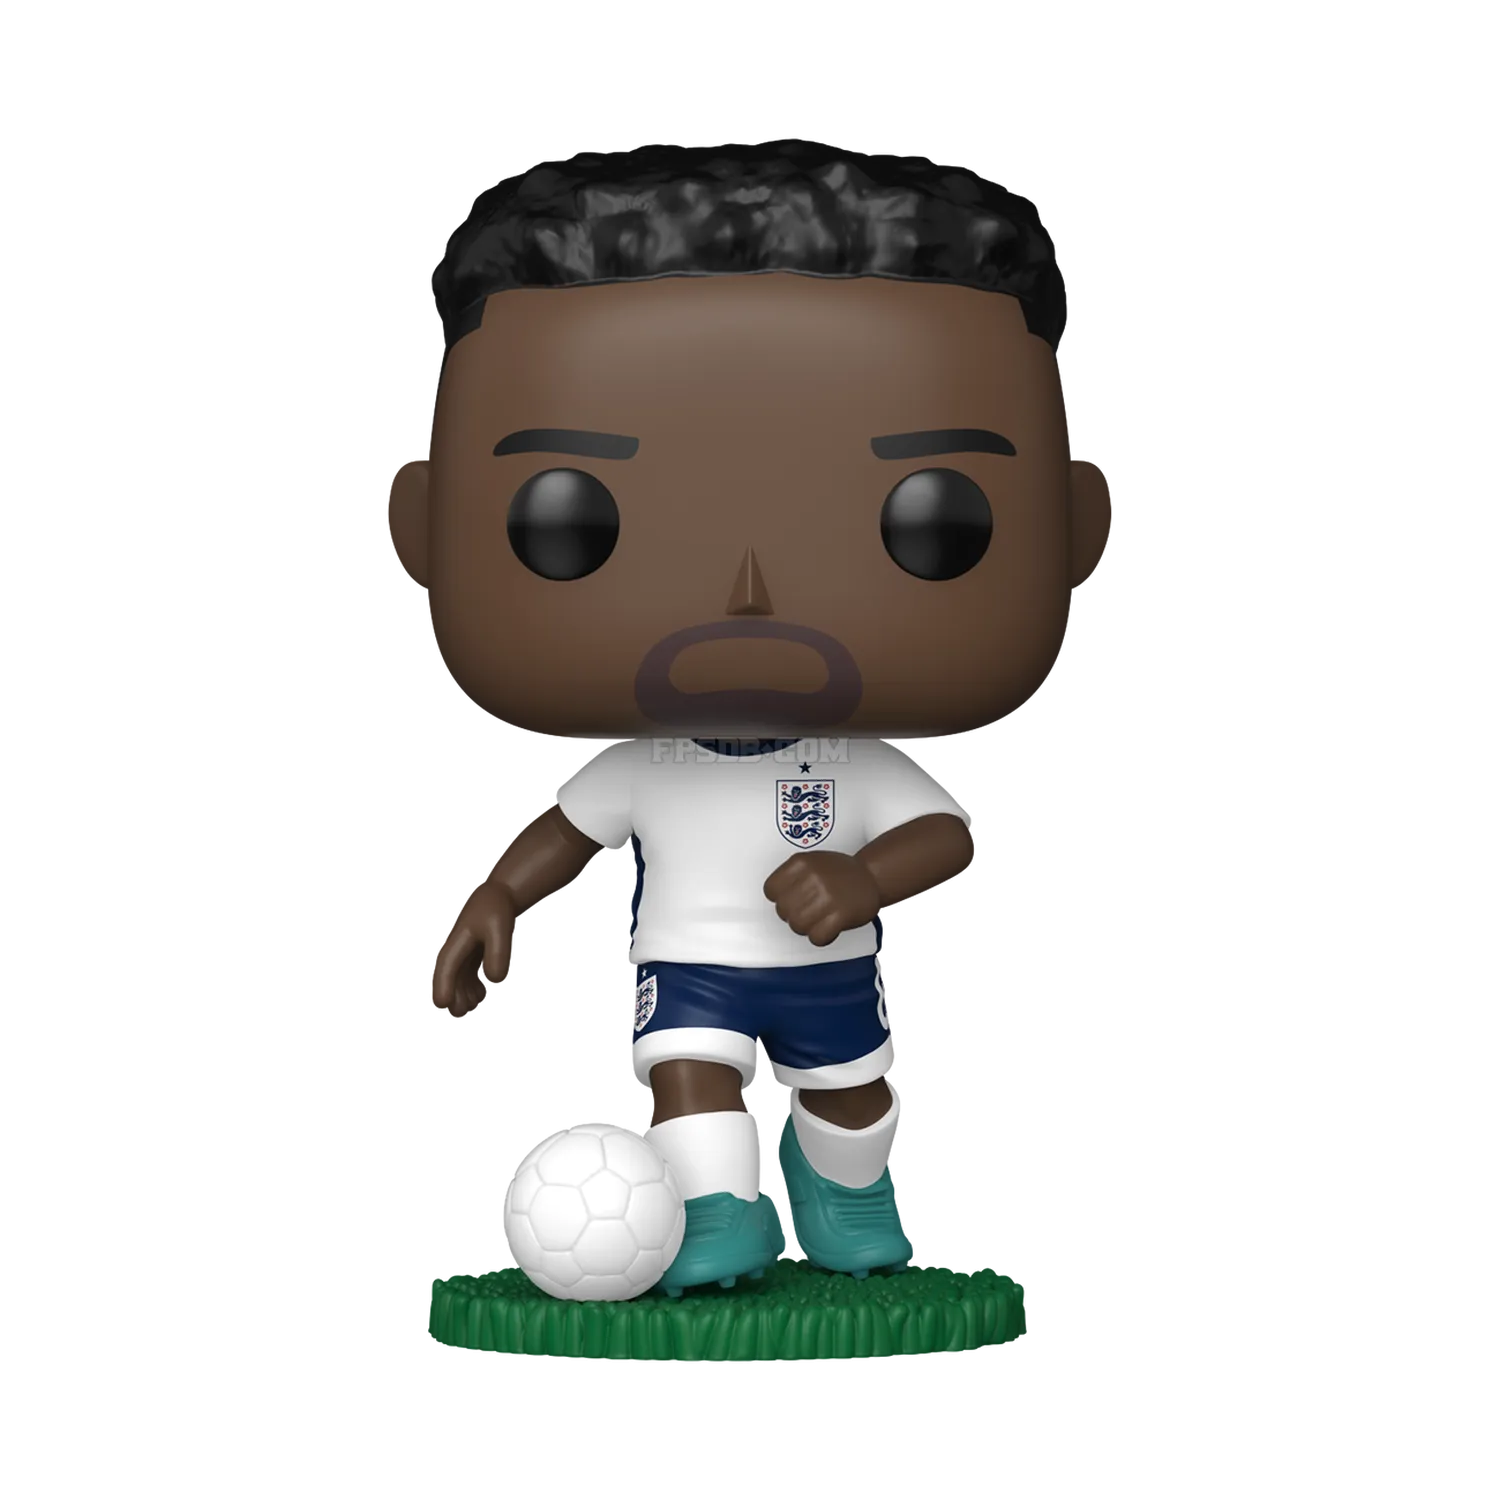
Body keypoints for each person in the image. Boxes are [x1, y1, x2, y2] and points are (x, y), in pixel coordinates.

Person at [384, 140, 1115, 1294]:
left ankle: (846, 1195)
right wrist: (496, 897)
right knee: (690, 1076)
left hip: (831, 970)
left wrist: (865, 879)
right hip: (693, 965)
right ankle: (720, 1215)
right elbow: (566, 834)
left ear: (1075, 533)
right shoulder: (645, 762)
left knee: (853, 1099)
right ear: (422, 530)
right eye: (569, 522)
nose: (748, 593)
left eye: (933, 522)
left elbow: (945, 833)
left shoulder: (855, 756)